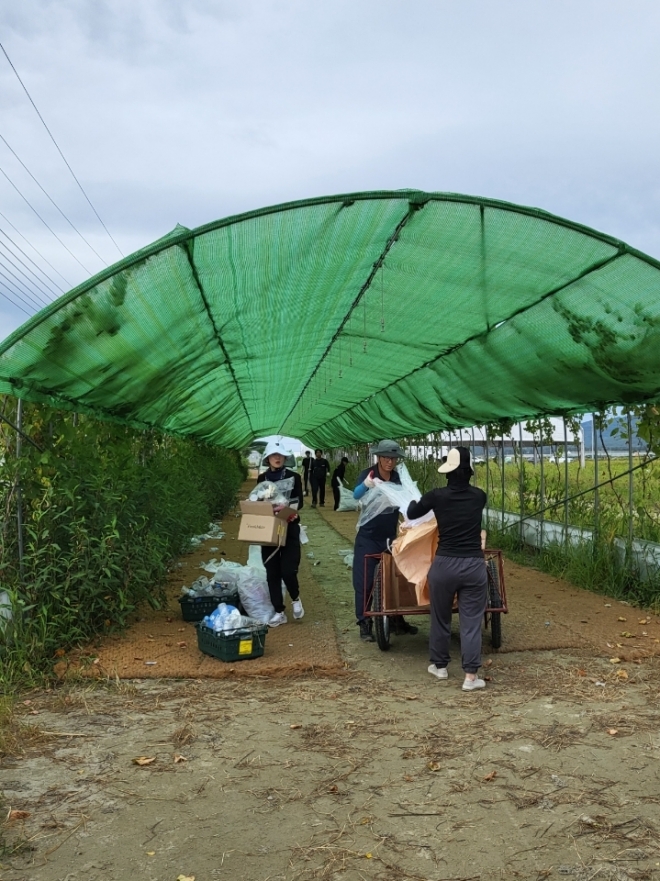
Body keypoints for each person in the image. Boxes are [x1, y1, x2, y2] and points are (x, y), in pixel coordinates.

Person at [406, 447, 488, 692]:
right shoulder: (479, 496)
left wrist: (412, 499)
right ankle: (471, 677)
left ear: (448, 472)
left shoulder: (436, 496)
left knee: (440, 617)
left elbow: (412, 512)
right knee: (471, 621)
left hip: (444, 565)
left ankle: (440, 667)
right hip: (474, 564)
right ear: (469, 471)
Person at [352, 440, 418, 642]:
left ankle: (397, 619)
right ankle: (365, 623)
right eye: (386, 458)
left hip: (390, 538)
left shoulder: (397, 478)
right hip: (369, 536)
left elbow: (405, 502)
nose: (390, 462)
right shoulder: (369, 474)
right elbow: (356, 495)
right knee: (365, 581)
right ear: (378, 457)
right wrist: (366, 485)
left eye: (393, 458)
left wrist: (411, 519)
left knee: (395, 579)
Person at [256, 440, 305, 627]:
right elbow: (259, 499)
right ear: (268, 458)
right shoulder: (262, 479)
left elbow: (299, 501)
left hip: (290, 526)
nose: (277, 458)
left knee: (288, 570)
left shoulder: (294, 476)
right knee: (272, 572)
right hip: (269, 528)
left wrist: (289, 508)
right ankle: (279, 611)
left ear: (285, 457)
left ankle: (295, 598)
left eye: (280, 455)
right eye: (273, 455)